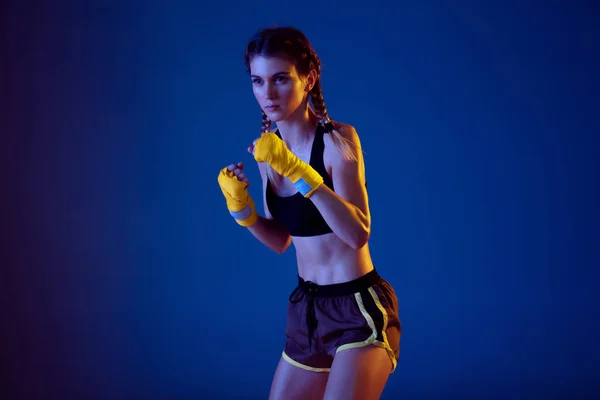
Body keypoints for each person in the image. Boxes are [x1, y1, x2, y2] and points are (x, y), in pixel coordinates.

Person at [217, 26, 402, 400]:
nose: (267, 93)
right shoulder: (268, 154)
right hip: (307, 311)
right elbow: (282, 240)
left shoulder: (337, 141)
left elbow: (357, 233)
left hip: (357, 309)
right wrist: (242, 211)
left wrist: (301, 173)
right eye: (258, 81)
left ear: (309, 79)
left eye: (280, 79)